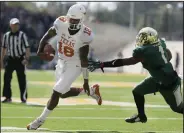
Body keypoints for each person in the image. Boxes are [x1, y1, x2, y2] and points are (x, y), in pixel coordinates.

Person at [27, 4, 102, 130]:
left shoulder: (85, 35)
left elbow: (84, 59)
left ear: (81, 20)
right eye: (71, 19)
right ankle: (91, 91)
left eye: (75, 20)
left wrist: (85, 80)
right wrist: (40, 49)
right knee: (62, 93)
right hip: (61, 62)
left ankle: (40, 120)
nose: (72, 21)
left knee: (56, 91)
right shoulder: (61, 23)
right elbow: (48, 35)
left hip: (75, 64)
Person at [88, 27, 183, 123]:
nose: (141, 39)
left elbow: (126, 62)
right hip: (157, 79)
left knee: (178, 108)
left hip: (169, 83)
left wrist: (103, 64)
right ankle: (141, 116)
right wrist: (161, 64)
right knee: (137, 91)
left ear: (150, 39)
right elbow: (169, 54)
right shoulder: (160, 44)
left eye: (144, 37)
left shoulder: (145, 50)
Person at [1, 18, 30, 103]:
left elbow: (27, 48)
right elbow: (3, 48)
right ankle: (7, 97)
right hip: (10, 59)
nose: (16, 26)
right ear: (10, 25)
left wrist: (26, 59)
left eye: (17, 24)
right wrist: (1, 60)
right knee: (6, 78)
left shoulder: (22, 35)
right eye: (14, 24)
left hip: (20, 59)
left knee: (22, 79)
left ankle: (23, 97)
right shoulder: (6, 35)